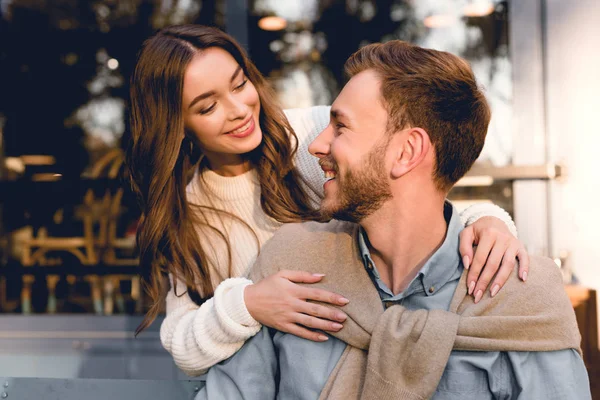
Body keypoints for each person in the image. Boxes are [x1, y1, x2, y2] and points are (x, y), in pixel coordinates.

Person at [195, 40, 590, 399]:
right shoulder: (291, 262)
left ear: (406, 152)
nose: (317, 144)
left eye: (340, 126)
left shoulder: (522, 296)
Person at [127, 25, 528, 376]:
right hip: (275, 379)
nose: (238, 110)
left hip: (377, 356)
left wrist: (487, 220)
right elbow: (182, 344)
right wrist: (246, 305)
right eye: (209, 106)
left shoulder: (315, 133)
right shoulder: (186, 211)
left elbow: (417, 190)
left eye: (239, 84)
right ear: (176, 124)